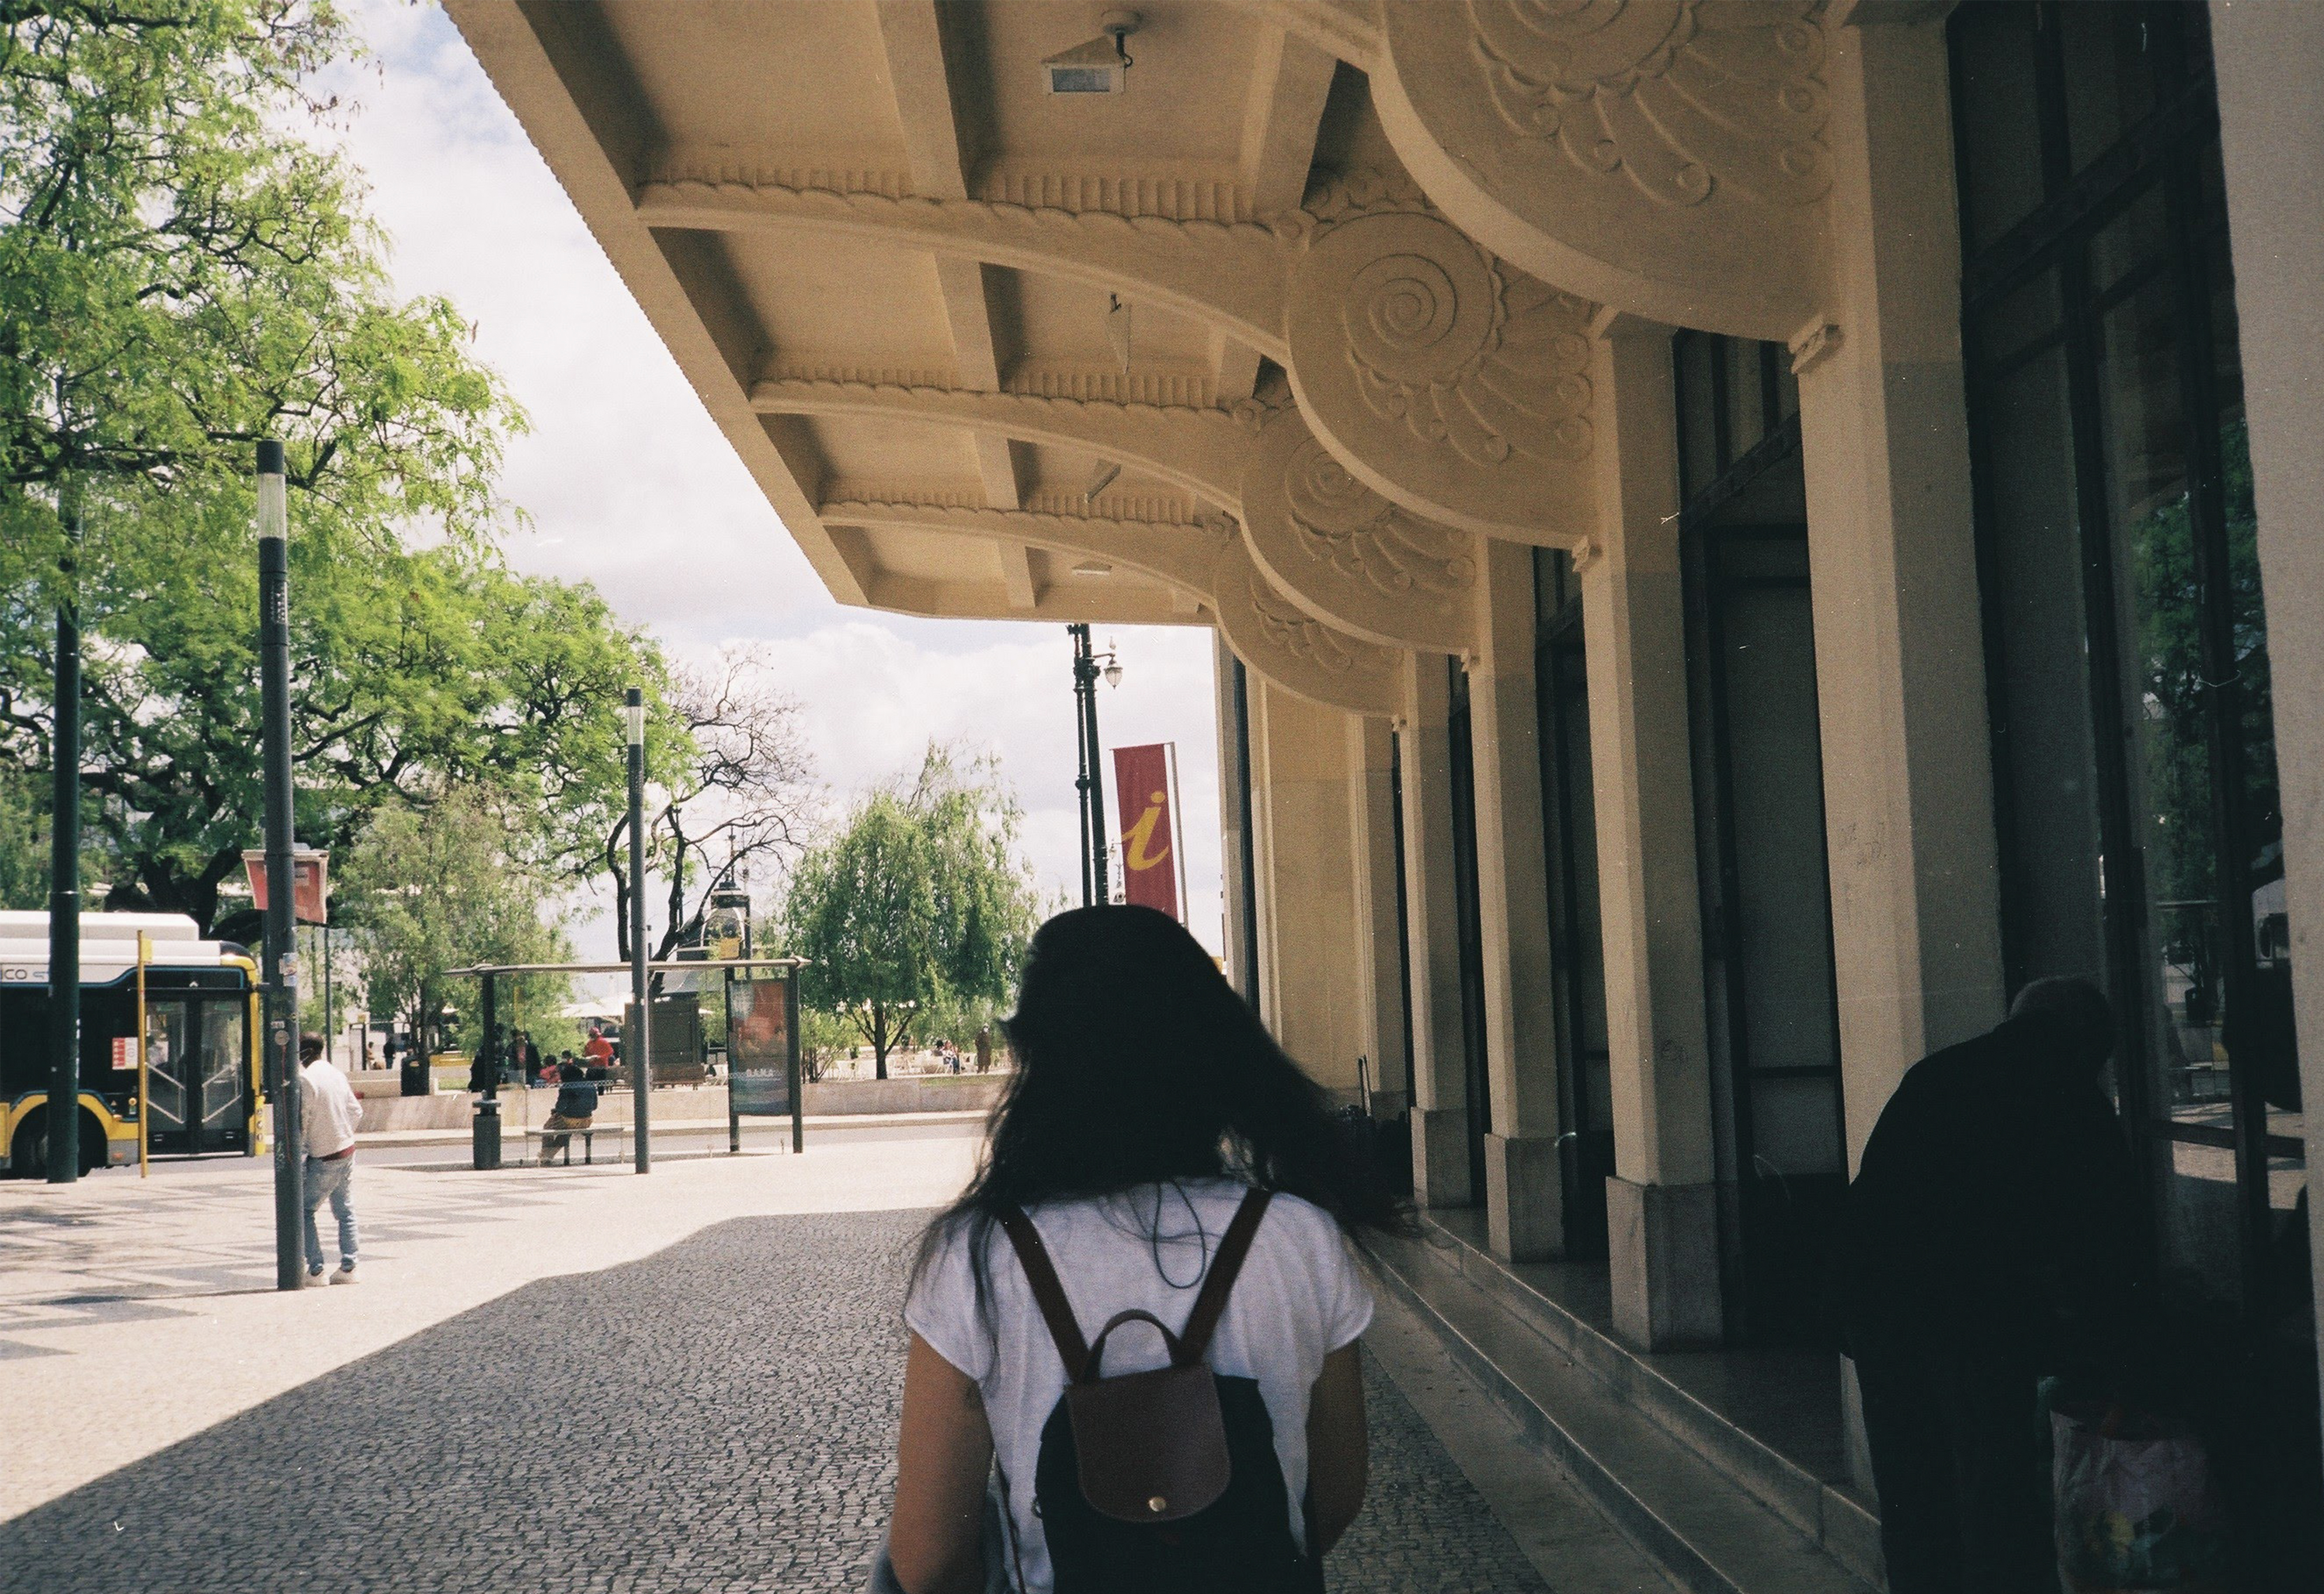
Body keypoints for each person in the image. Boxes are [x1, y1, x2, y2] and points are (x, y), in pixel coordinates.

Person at [885, 905, 1398, 1594]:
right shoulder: (1298, 1239)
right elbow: (1330, 1497)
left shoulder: (978, 1257)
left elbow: (928, 1557)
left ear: (1045, 1066)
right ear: (1209, 1051)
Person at [1838, 976, 2146, 1594]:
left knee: (1912, 1501)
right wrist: (2122, 1350)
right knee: (1993, 1501)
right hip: (1979, 1329)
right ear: (2087, 1042)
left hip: (1884, 1325)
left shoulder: (1934, 1076)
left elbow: (1869, 1208)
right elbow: (2105, 1242)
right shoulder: (2071, 1097)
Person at [297, 1033, 363, 1285]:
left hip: (324, 1156)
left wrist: (306, 1144)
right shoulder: (336, 1073)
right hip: (347, 1150)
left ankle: (316, 1270)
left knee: (304, 1211)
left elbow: (303, 1120)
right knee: (345, 1211)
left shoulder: (307, 1079)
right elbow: (356, 1111)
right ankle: (350, 1267)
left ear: (306, 1052)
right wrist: (341, 1132)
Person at [539, 1059, 601, 1165]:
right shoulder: (591, 1086)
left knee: (547, 1129)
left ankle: (546, 1156)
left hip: (568, 1119)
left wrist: (555, 1111)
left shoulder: (567, 1087)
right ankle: (548, 1156)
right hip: (586, 1120)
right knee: (565, 1134)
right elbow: (594, 1106)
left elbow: (560, 1107)